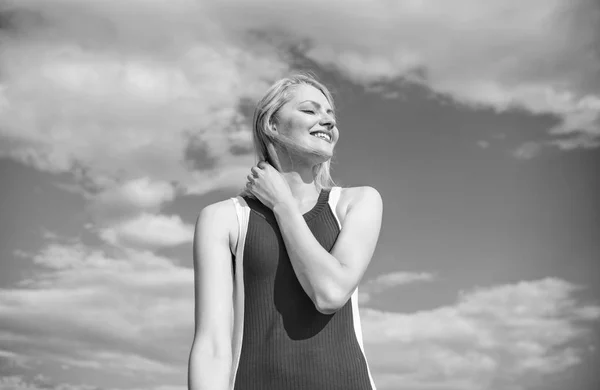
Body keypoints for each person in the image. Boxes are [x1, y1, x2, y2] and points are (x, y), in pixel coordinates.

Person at [188, 73, 383, 390]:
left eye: (331, 116)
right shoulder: (222, 219)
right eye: (310, 110)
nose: (327, 122)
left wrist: (282, 205)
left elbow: (330, 293)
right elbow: (212, 345)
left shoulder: (358, 202)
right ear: (271, 125)